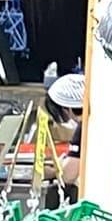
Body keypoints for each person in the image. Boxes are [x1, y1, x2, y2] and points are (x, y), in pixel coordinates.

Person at [43, 72, 84, 206]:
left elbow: (68, 175)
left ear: (67, 109)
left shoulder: (83, 128)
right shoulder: (88, 124)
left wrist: (50, 172)